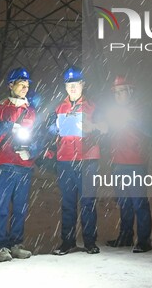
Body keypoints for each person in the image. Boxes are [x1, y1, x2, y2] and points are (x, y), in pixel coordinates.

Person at [0, 67, 38, 262]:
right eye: (21, 83)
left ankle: (16, 244)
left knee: (20, 207)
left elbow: (39, 138)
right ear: (11, 85)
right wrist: (7, 125)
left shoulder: (31, 110)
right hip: (4, 164)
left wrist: (32, 151)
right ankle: (1, 245)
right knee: (2, 207)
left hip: (24, 165)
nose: (25, 87)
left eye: (27, 84)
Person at [50, 65, 105, 255]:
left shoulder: (93, 107)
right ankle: (68, 241)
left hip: (87, 160)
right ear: (65, 86)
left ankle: (90, 241)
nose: (73, 87)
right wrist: (54, 128)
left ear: (82, 84)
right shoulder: (59, 108)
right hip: (65, 160)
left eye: (76, 83)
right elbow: (49, 130)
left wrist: (94, 127)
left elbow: (106, 129)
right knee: (68, 202)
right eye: (69, 84)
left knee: (88, 201)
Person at [105, 75, 152, 253]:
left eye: (121, 91)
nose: (118, 95)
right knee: (124, 202)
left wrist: (135, 122)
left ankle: (144, 240)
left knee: (139, 203)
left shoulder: (142, 110)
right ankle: (126, 236)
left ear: (130, 91)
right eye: (116, 92)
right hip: (118, 162)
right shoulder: (113, 111)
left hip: (136, 162)